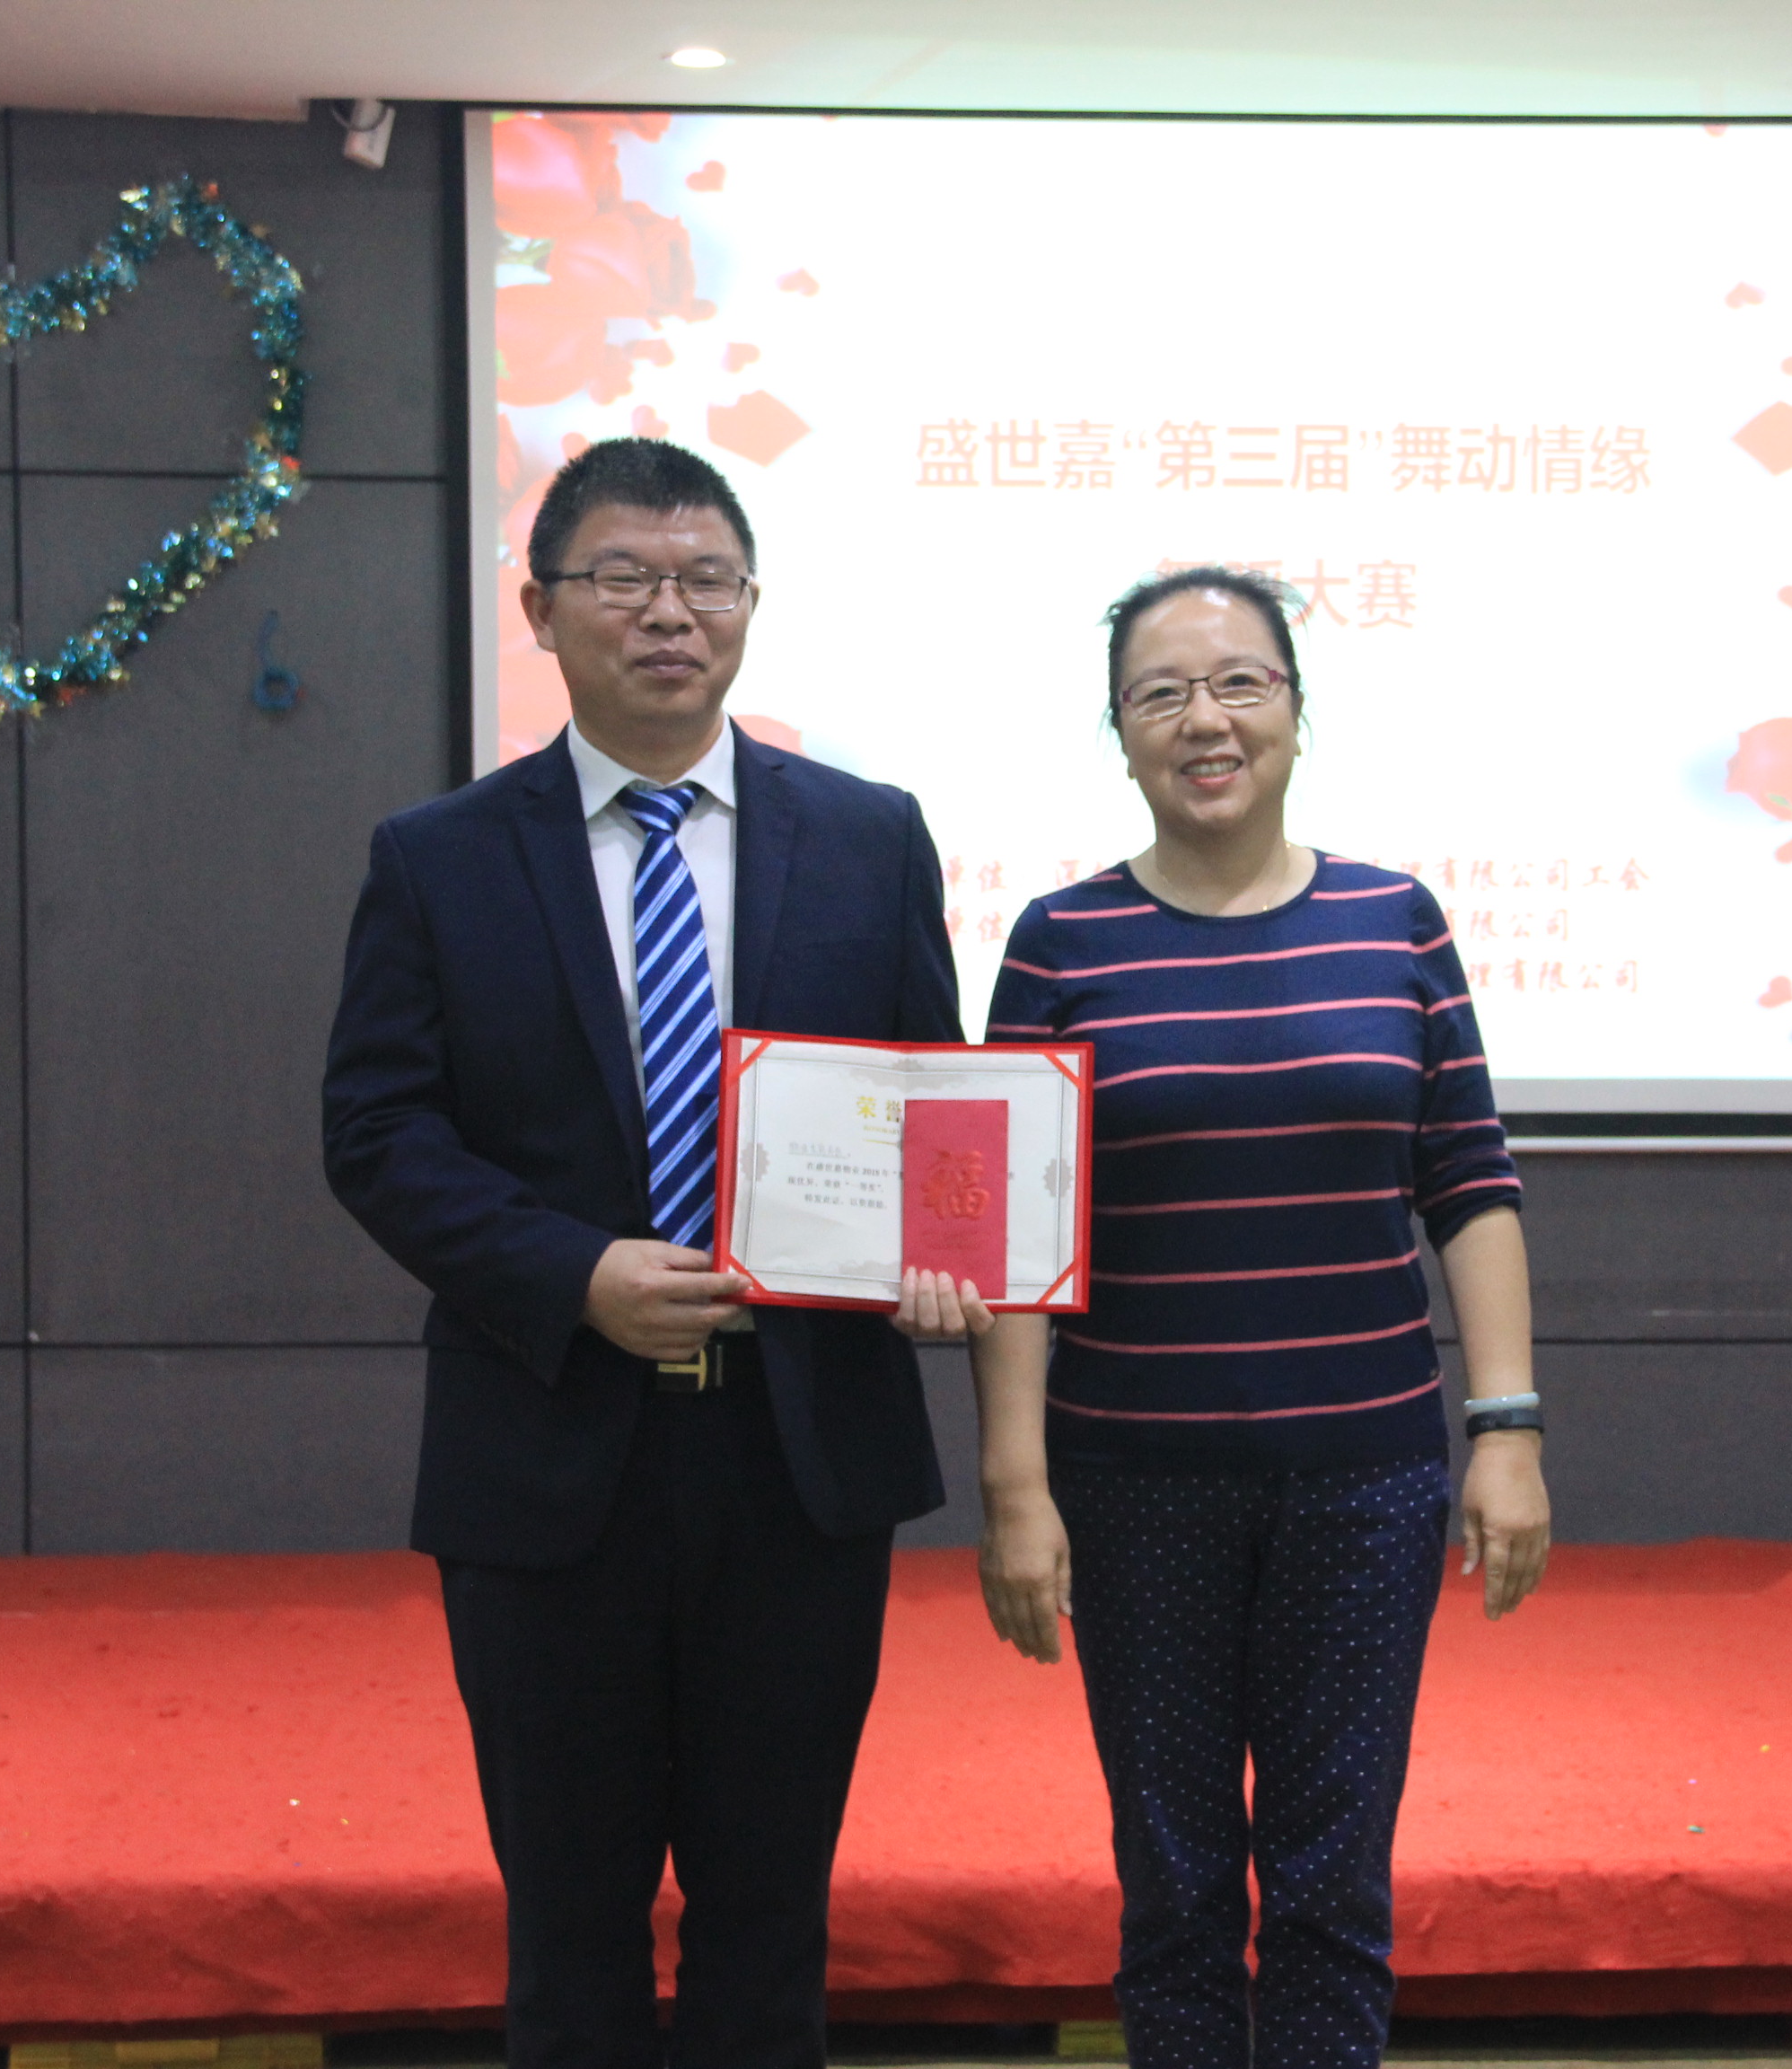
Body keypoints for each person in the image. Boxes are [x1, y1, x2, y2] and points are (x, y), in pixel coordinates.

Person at [321, 437, 969, 2069]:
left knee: (772, 1919)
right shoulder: (440, 856)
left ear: (750, 605)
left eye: (706, 580)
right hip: (548, 1451)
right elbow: (378, 1133)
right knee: (570, 1928)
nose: (669, 613)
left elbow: (936, 1102)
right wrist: (572, 1274)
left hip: (799, 1452)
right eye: (623, 577)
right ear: (542, 609)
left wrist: (946, 1247)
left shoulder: (871, 837)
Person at [961, 566, 1553, 2069]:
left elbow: (1470, 1183)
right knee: (1171, 1883)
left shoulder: (1395, 919)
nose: (1205, 720)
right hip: (1132, 1480)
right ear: (1118, 733)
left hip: (1366, 1479)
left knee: (1332, 1876)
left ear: (1297, 708)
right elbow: (1018, 1235)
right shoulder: (1060, 941)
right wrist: (1016, 1486)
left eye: (1240, 683)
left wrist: (1507, 1430)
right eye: (1161, 693)